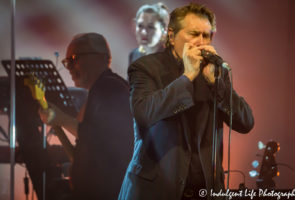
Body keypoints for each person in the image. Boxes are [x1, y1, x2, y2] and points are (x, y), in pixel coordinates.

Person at [119, 3, 254, 200]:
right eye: (193, 34)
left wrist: (217, 85)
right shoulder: (145, 67)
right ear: (171, 36)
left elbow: (246, 122)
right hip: (155, 190)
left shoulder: (215, 72)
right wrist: (188, 76)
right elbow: (143, 113)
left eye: (206, 35)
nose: (201, 42)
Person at [39, 33, 133, 200]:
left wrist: (62, 119)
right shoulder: (99, 90)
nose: (69, 67)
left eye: (74, 58)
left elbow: (101, 137)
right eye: (67, 62)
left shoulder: (111, 88)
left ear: (101, 57)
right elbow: (92, 144)